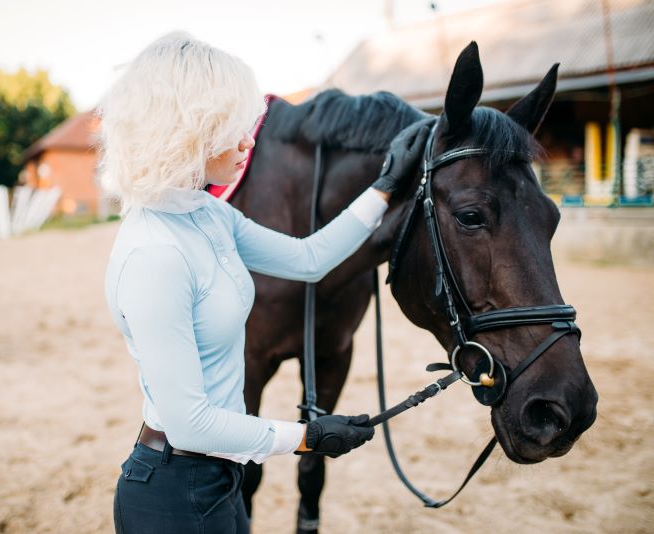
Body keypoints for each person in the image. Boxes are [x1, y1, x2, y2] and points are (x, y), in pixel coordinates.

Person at [99, 32, 430, 534]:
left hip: (219, 477)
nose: (250, 141)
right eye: (232, 128)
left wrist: (384, 187)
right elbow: (189, 422)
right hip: (173, 489)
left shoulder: (208, 213)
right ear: (186, 132)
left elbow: (309, 258)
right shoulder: (154, 254)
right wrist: (307, 436)